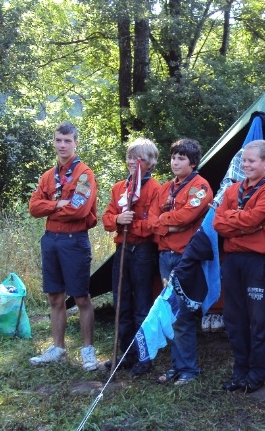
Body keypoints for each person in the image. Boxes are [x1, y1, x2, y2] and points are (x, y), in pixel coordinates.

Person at [213, 139, 265, 393]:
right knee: (234, 318)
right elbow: (218, 223)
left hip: (258, 262)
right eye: (244, 160)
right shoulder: (233, 190)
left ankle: (258, 372)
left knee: (258, 319)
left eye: (251, 161)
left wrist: (235, 220)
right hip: (233, 261)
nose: (245, 165)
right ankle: (240, 369)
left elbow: (253, 219)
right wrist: (242, 223)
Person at [28, 121, 99, 370]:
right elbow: (33, 208)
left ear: (75, 143)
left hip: (74, 241)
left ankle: (88, 351)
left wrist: (50, 207)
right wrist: (57, 204)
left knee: (81, 297)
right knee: (55, 296)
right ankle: (57, 348)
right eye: (58, 140)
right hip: (50, 240)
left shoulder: (85, 174)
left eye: (67, 141)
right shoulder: (48, 176)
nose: (62, 145)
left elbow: (79, 209)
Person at [148, 138, 212, 386]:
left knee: (183, 314)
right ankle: (176, 366)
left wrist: (164, 222)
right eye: (173, 157)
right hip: (165, 255)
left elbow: (187, 216)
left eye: (181, 158)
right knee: (170, 312)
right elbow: (151, 218)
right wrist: (169, 224)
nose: (175, 162)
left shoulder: (200, 187)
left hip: (186, 258)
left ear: (193, 163)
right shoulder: (165, 187)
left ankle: (189, 369)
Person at [102, 137, 161, 377]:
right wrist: (118, 219)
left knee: (142, 305)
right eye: (129, 157)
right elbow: (107, 219)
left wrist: (131, 224)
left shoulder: (155, 188)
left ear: (150, 163)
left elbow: (152, 225)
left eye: (139, 159)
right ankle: (125, 354)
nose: (132, 162)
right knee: (121, 302)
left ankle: (144, 357)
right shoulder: (119, 187)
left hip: (144, 251)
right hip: (122, 250)